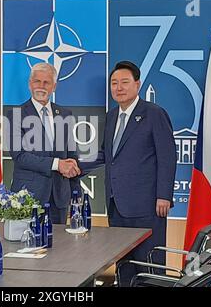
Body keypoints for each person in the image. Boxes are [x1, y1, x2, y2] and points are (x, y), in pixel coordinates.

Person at [79, 61, 176, 286]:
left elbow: (167, 156)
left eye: (124, 82)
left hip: (147, 206)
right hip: (116, 206)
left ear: (137, 85)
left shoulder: (154, 113)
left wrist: (164, 195)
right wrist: (75, 167)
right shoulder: (112, 116)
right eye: (114, 83)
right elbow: (106, 154)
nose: (118, 88)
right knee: (124, 266)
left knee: (149, 267)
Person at [6, 62, 80, 224]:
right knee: (26, 246)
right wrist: (57, 164)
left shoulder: (65, 114)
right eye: (37, 81)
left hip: (59, 197)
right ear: (29, 84)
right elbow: (20, 156)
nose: (41, 86)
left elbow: (71, 153)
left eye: (46, 82)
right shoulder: (15, 115)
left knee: (60, 247)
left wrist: (76, 191)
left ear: (54, 86)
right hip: (28, 197)